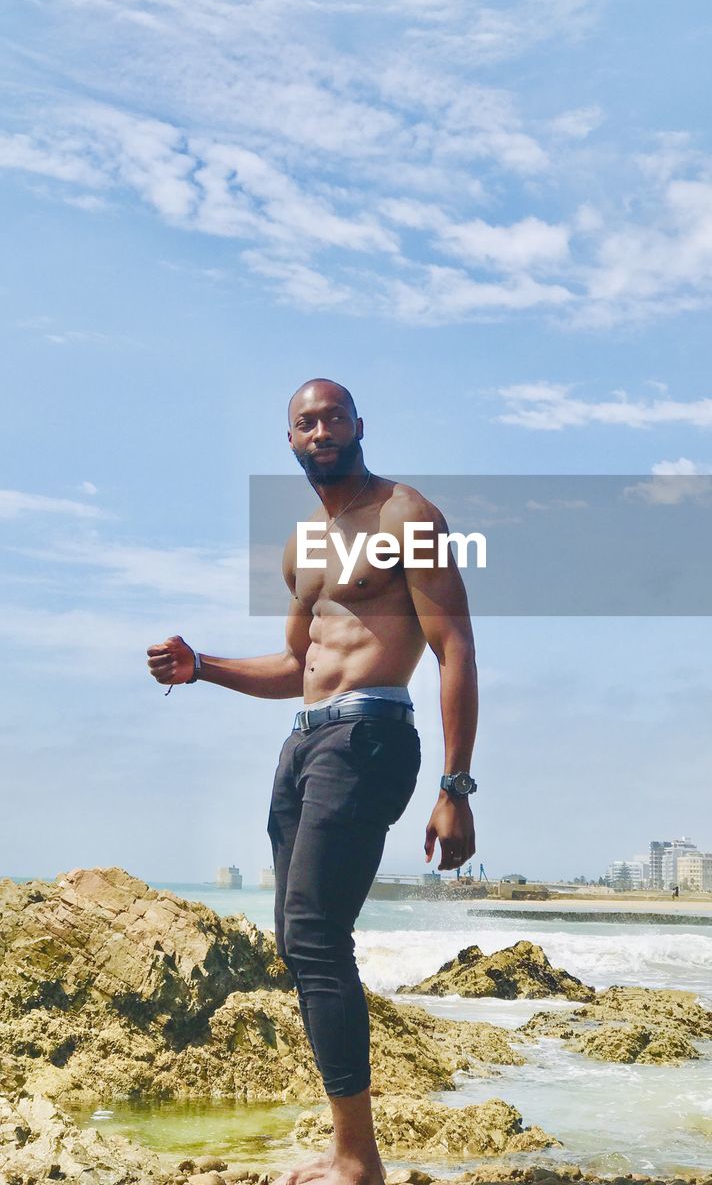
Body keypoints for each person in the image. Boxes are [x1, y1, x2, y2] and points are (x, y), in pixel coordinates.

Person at [147, 378, 478, 1185]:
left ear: (359, 425)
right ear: (289, 441)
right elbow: (297, 667)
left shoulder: (407, 516)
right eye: (304, 422)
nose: (320, 429)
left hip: (369, 733)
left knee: (318, 935)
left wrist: (456, 785)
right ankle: (344, 1143)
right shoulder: (303, 546)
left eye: (332, 416)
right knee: (300, 942)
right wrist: (204, 669)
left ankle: (359, 1159)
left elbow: (456, 646)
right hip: (304, 743)